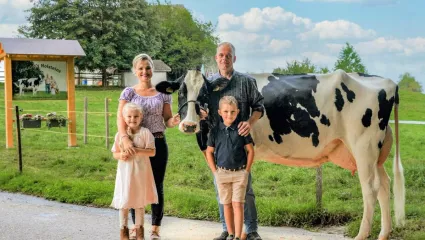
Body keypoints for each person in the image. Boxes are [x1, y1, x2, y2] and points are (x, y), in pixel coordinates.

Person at [197, 42, 264, 240]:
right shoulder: (208, 84)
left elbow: (259, 107)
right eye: (220, 55)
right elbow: (201, 108)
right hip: (218, 143)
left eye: (228, 55)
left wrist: (250, 122)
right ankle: (227, 229)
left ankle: (251, 230)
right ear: (216, 58)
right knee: (221, 189)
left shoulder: (246, 81)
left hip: (240, 142)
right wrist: (200, 114)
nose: (224, 59)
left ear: (234, 58)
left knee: (246, 190)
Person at [117, 53, 180, 240]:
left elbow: (167, 120)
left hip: (157, 143)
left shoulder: (162, 93)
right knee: (136, 185)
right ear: (135, 71)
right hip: (135, 144)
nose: (145, 71)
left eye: (148, 67)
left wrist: (173, 121)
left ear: (153, 69)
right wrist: (124, 139)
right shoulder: (128, 93)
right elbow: (121, 118)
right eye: (141, 68)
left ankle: (155, 229)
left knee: (157, 185)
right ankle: (137, 227)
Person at [206, 96, 255, 240]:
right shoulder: (215, 131)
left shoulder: (241, 129)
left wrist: (246, 171)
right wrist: (215, 172)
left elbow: (251, 151)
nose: (229, 115)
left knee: (237, 204)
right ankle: (231, 233)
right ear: (220, 112)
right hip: (222, 173)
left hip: (239, 173)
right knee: (226, 205)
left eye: (233, 112)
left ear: (238, 112)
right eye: (226, 111)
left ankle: (238, 236)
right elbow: (209, 151)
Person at [111, 102, 158, 240]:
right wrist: (121, 156)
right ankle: (123, 231)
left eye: (135, 116)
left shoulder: (145, 133)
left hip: (140, 173)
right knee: (124, 201)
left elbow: (152, 152)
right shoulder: (120, 135)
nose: (132, 119)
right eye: (129, 116)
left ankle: (139, 232)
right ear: (124, 118)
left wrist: (137, 150)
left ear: (141, 117)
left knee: (139, 201)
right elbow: (115, 153)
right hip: (125, 173)